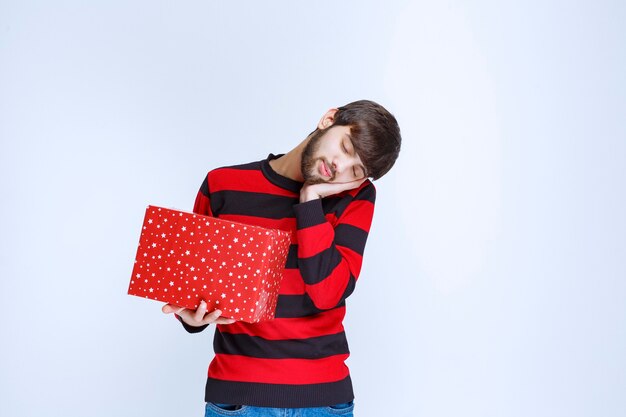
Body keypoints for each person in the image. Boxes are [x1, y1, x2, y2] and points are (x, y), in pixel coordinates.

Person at [162, 99, 401, 417]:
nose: (340, 167)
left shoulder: (355, 198)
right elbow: (194, 292)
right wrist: (190, 318)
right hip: (237, 399)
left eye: (355, 170)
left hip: (323, 403)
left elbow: (327, 293)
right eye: (344, 147)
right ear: (329, 119)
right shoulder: (222, 185)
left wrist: (310, 199)